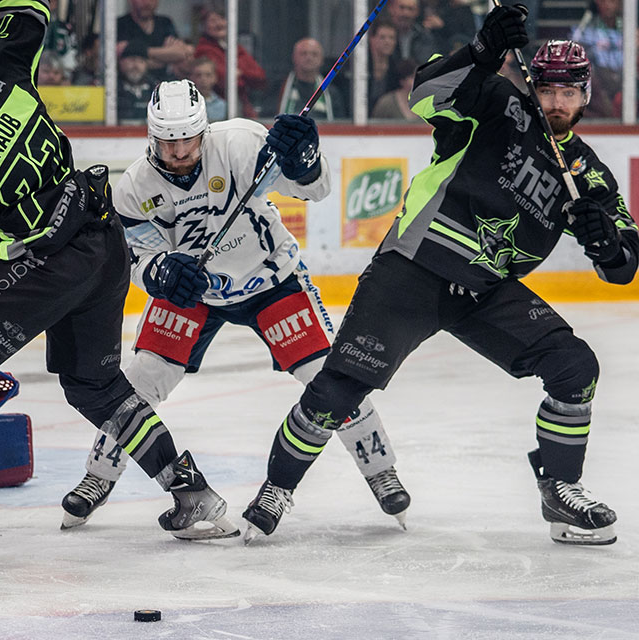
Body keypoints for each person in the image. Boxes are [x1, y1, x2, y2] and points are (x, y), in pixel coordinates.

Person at [0, 1, 239, 572]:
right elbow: (31, 6)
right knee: (93, 384)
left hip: (52, 259)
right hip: (104, 235)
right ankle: (194, 496)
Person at [270, 6, 637, 546]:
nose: (557, 103)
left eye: (569, 93)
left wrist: (604, 238)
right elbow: (425, 91)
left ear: (586, 96)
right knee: (342, 385)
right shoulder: (497, 102)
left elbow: (623, 265)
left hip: (484, 291)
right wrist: (483, 51)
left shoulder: (587, 174)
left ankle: (561, 489)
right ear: (533, 85)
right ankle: (277, 489)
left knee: (574, 366)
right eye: (549, 90)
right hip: (417, 266)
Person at [60, 79, 411, 540]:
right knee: (141, 379)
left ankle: (379, 468)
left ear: (204, 131)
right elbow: (136, 259)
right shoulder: (133, 189)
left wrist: (303, 161)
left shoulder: (242, 144)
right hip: (195, 294)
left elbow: (317, 189)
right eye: (168, 141)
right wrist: (161, 273)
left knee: (331, 380)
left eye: (187, 138)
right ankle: (98, 475)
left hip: (272, 281)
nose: (179, 150)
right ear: (151, 137)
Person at [194, 1, 265, 119]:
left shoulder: (235, 48)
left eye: (222, 18)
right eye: (212, 20)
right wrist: (241, 75)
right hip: (217, 112)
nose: (218, 24)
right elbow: (225, 80)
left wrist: (241, 73)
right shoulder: (203, 50)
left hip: (243, 109)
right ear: (204, 25)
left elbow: (260, 77)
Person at [117, 0, 193, 83]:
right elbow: (119, 57)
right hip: (128, 86)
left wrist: (139, 52)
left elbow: (181, 53)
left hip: (164, 84)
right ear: (131, 1)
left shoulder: (165, 23)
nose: (147, 3)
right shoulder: (121, 24)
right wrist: (166, 57)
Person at [276, 38, 346, 121]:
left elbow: (339, 124)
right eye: (303, 54)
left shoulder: (331, 93)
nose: (309, 58)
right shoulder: (280, 89)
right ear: (294, 57)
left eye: (314, 54)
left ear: (322, 60)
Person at [117, 41, 155, 122]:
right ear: (121, 63)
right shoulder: (113, 90)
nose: (136, 65)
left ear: (147, 64)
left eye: (140, 61)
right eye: (131, 60)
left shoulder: (155, 90)